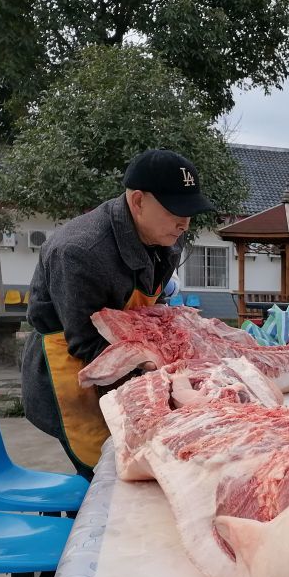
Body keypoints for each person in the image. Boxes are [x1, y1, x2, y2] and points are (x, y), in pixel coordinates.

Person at [22, 149, 215, 480]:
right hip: (73, 365)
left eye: (190, 212)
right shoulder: (80, 252)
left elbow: (153, 309)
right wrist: (153, 370)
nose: (184, 224)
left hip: (131, 357)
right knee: (105, 472)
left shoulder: (167, 237)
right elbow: (85, 342)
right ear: (138, 201)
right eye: (175, 211)